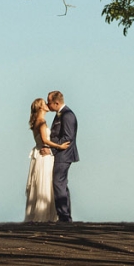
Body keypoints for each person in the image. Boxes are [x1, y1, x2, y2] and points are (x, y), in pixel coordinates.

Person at [24, 98, 70, 222]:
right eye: (45, 104)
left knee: (40, 183)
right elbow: (44, 140)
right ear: (40, 107)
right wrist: (59, 146)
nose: (47, 105)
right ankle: (45, 216)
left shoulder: (36, 122)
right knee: (46, 183)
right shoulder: (42, 122)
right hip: (45, 156)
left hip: (38, 154)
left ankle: (39, 214)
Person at [47, 90, 79, 222]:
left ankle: (64, 217)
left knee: (58, 183)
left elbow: (68, 137)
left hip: (63, 155)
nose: (47, 105)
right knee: (62, 185)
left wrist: (51, 145)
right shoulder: (61, 114)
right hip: (61, 154)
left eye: (49, 102)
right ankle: (65, 216)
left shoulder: (67, 115)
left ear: (56, 102)